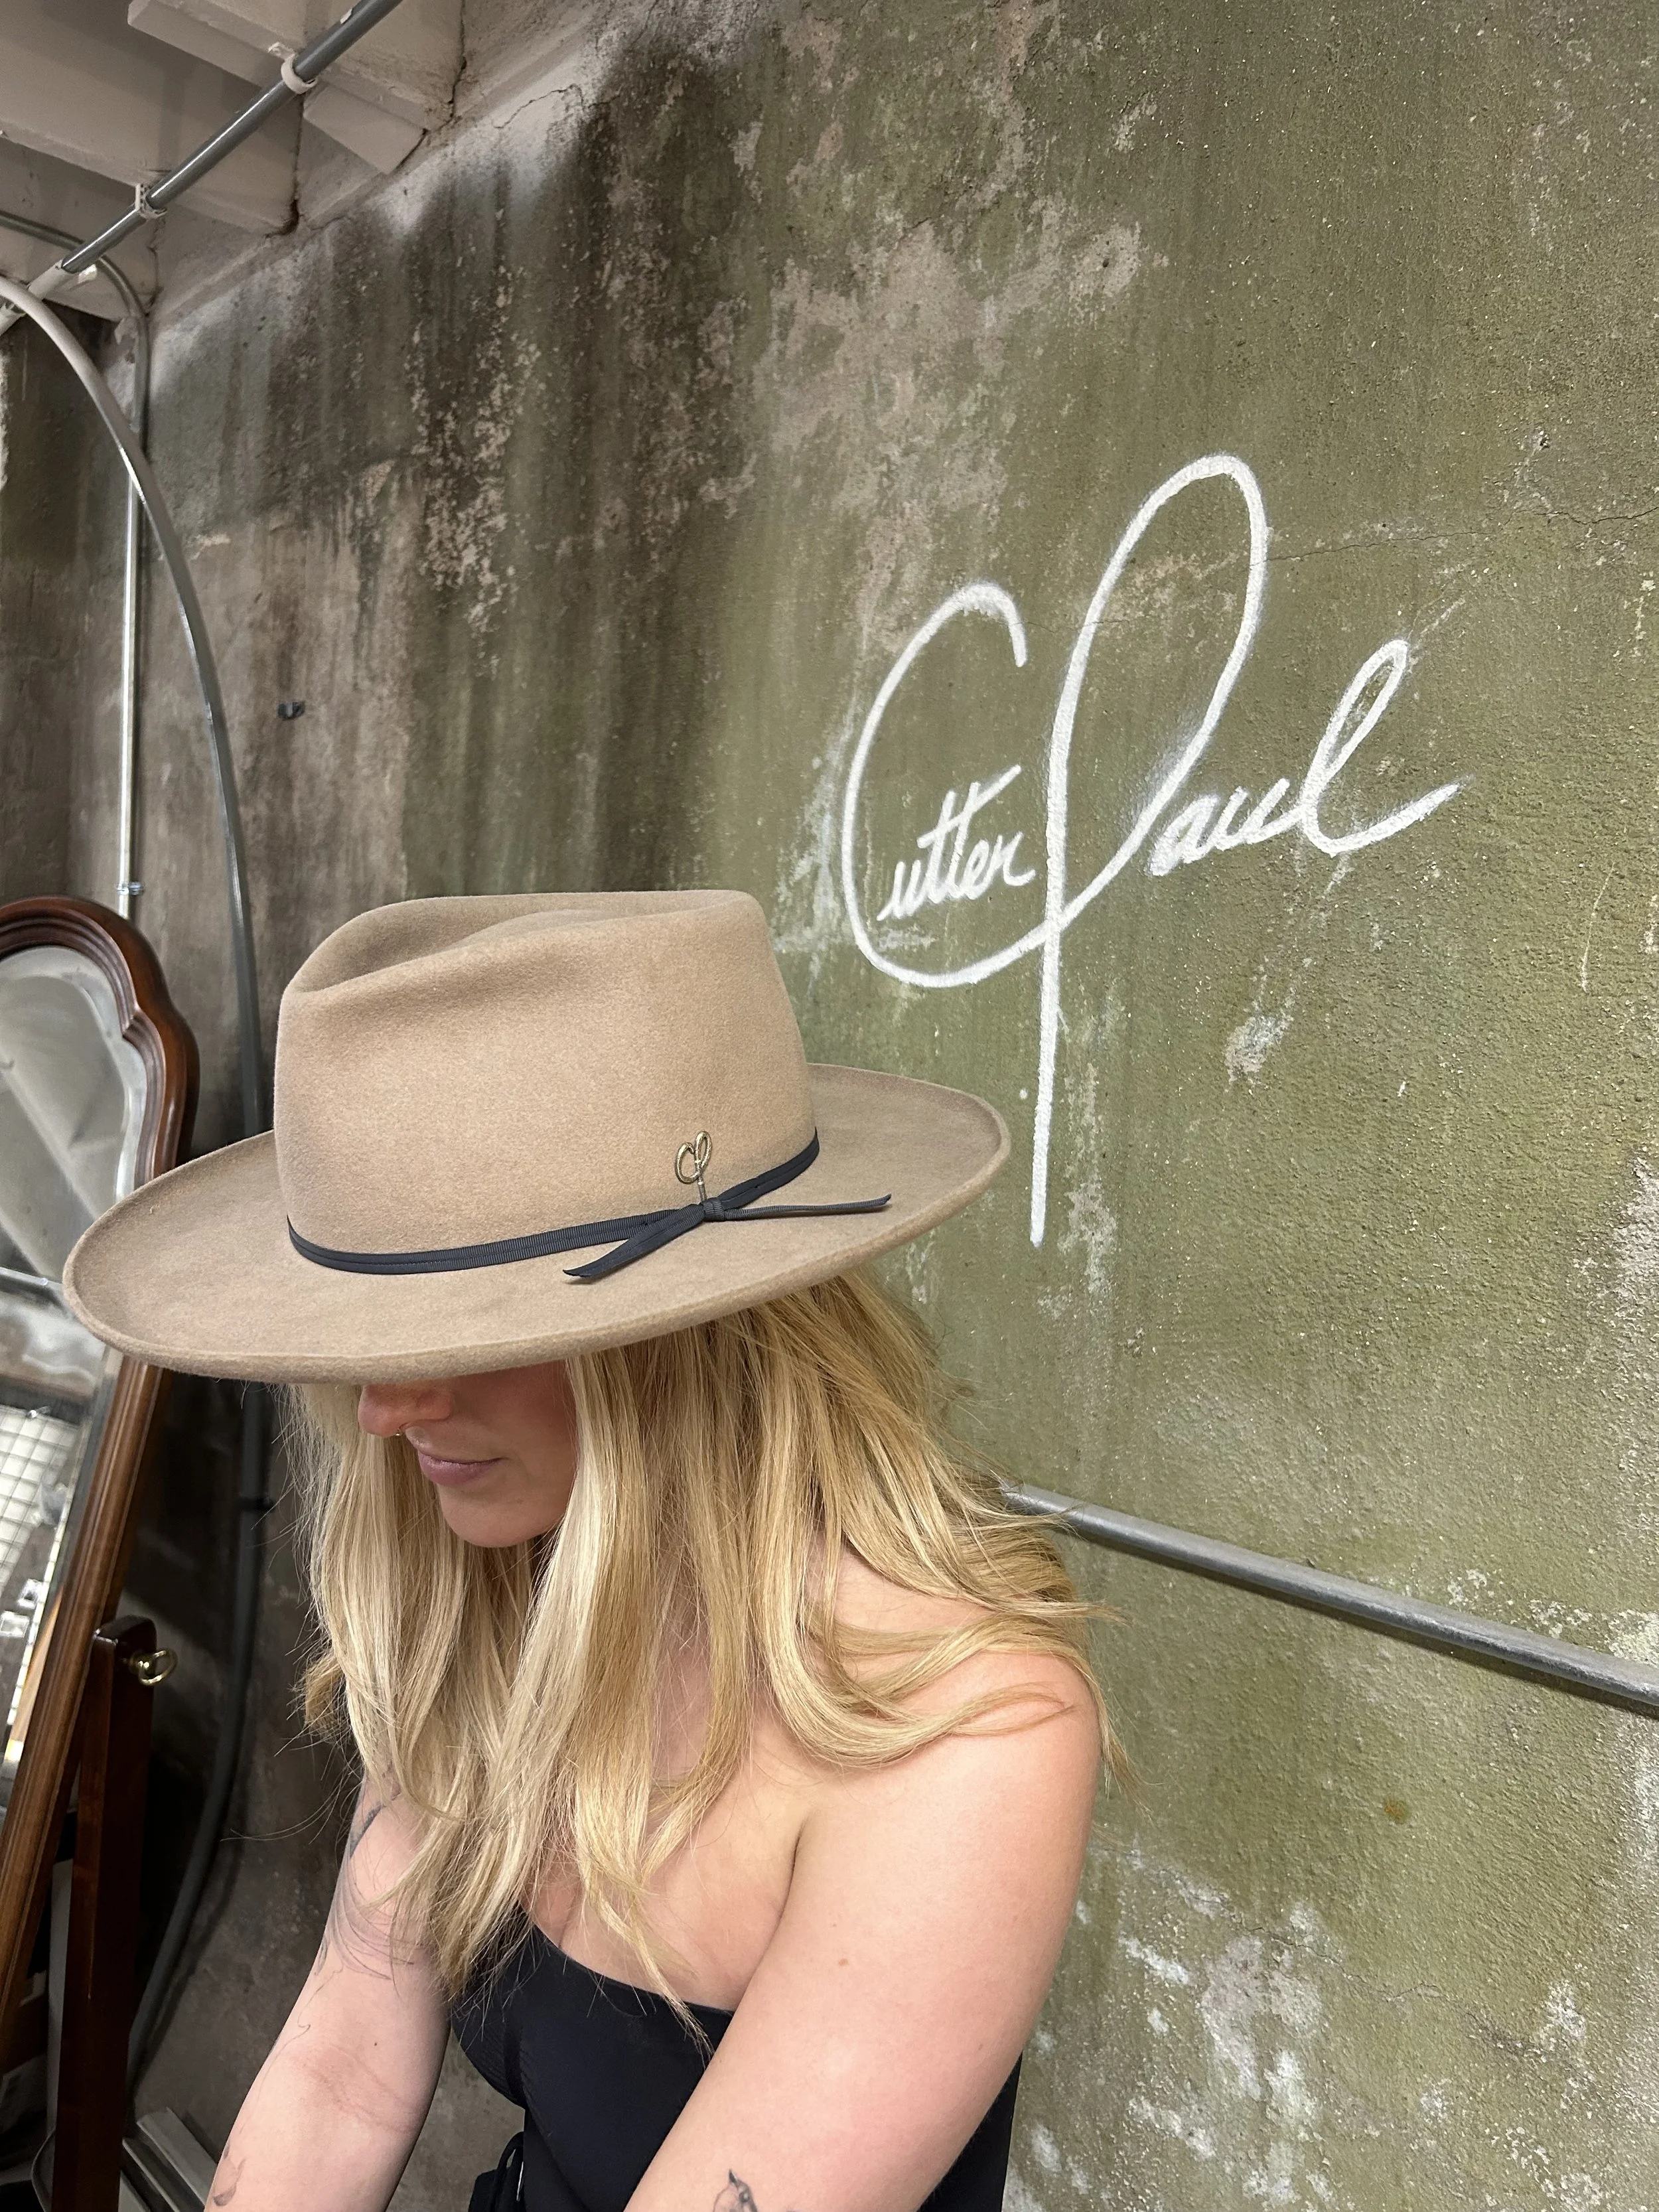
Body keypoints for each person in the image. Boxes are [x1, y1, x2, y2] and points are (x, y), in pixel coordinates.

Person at [66, 889, 1123, 2212]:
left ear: (700, 1334)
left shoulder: (954, 1725)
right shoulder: (497, 1594)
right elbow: (342, 2073)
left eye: (470, 1327)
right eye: (370, 1333)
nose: (386, 1408)